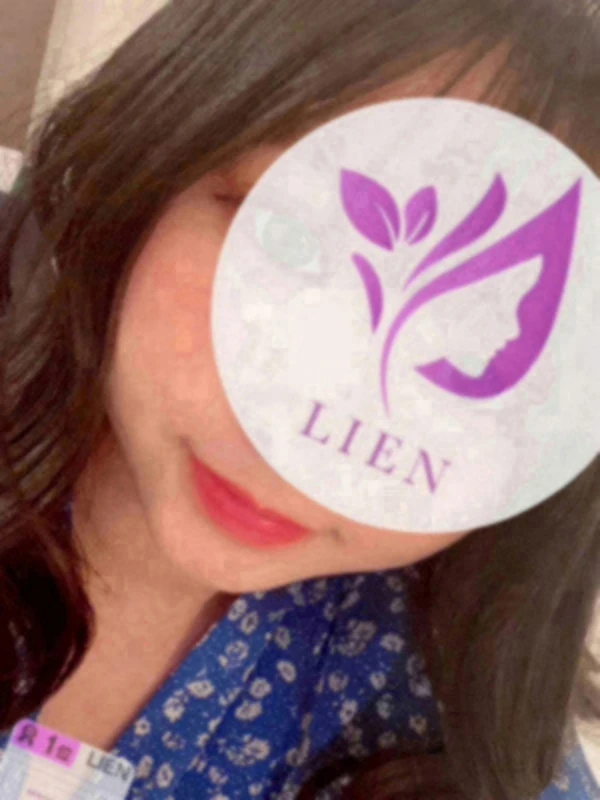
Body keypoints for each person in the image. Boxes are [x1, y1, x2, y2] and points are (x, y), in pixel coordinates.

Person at [0, 0, 599, 797]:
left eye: (478, 350)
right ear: (144, 166)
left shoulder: (446, 730)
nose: (304, 440)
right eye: (290, 243)